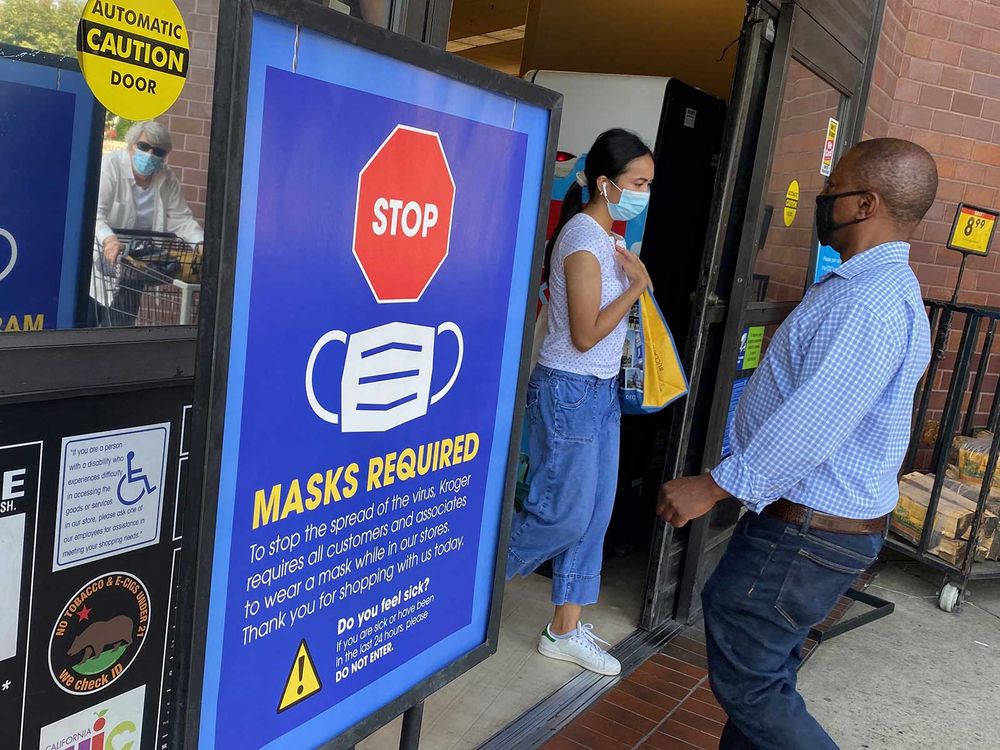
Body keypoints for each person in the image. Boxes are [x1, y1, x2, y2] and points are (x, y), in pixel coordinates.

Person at [656, 138, 937, 749]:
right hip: (817, 527)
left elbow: (811, 424)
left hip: (807, 533)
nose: (821, 199)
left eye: (832, 188)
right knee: (765, 672)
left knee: (752, 682)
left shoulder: (871, 302)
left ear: (865, 203)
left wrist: (713, 486)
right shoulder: (870, 289)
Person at [506, 129, 654, 676]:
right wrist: (637, 288)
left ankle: (563, 630)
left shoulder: (606, 238)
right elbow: (586, 333)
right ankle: (465, 588)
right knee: (560, 516)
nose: (643, 194)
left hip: (599, 390)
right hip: (570, 389)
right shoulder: (582, 239)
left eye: (648, 185)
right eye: (638, 183)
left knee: (593, 515)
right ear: (604, 182)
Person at [92, 120, 203, 326]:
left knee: (119, 332)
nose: (150, 154)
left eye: (158, 151)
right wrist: (109, 239)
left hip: (134, 266)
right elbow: (96, 213)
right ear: (131, 145)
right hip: (99, 263)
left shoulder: (166, 178)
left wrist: (200, 242)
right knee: (87, 327)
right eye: (143, 146)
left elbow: (181, 219)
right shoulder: (111, 166)